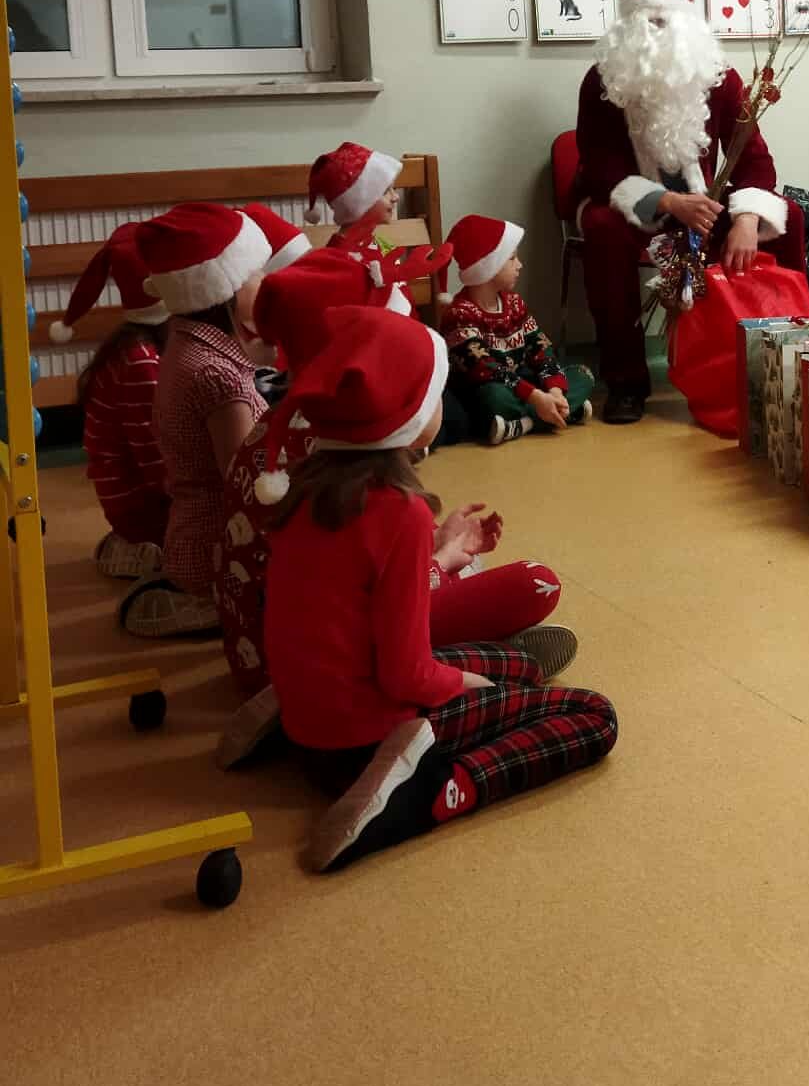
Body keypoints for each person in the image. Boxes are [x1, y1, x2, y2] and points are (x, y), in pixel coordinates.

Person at [262, 307, 618, 873]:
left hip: (310, 724)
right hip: (365, 741)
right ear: (406, 413)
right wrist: (467, 684)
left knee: (519, 665)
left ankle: (283, 715)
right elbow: (406, 675)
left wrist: (440, 556)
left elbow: (362, 604)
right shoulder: (397, 511)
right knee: (594, 714)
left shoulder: (309, 487)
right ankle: (426, 794)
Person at [213, 245, 576, 766]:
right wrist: (439, 564)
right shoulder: (349, 450)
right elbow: (386, 631)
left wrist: (439, 551)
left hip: (292, 668)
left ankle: (497, 656)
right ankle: (499, 663)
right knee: (537, 585)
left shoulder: (309, 429)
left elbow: (346, 572)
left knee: (459, 574)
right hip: (351, 681)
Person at [575, 0, 797, 423]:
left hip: (707, 208)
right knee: (601, 227)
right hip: (641, 211)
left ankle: (791, 357)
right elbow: (597, 169)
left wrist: (746, 218)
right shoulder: (602, 83)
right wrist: (667, 201)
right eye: (645, 22)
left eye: (665, 21)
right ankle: (626, 383)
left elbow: (755, 160)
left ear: (689, 24)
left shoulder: (720, 78)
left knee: (790, 218)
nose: (655, 34)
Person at [122, 203, 271, 636]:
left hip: (193, 536)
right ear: (222, 287)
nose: (265, 281)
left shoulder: (188, 342)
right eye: (255, 272)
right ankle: (209, 605)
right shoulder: (216, 376)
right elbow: (246, 484)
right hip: (220, 552)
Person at [49, 223, 171, 579]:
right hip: (142, 509)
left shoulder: (134, 349)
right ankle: (149, 550)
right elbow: (157, 464)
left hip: (135, 503)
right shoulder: (141, 361)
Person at [440, 213, 595, 444]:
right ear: (489, 267)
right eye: (512, 258)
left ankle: (524, 423)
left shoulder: (514, 303)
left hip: (521, 383)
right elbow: (486, 369)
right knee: (494, 397)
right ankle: (560, 413)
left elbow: (541, 348)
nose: (519, 265)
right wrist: (536, 398)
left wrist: (554, 391)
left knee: (582, 375)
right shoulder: (459, 315)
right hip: (487, 389)